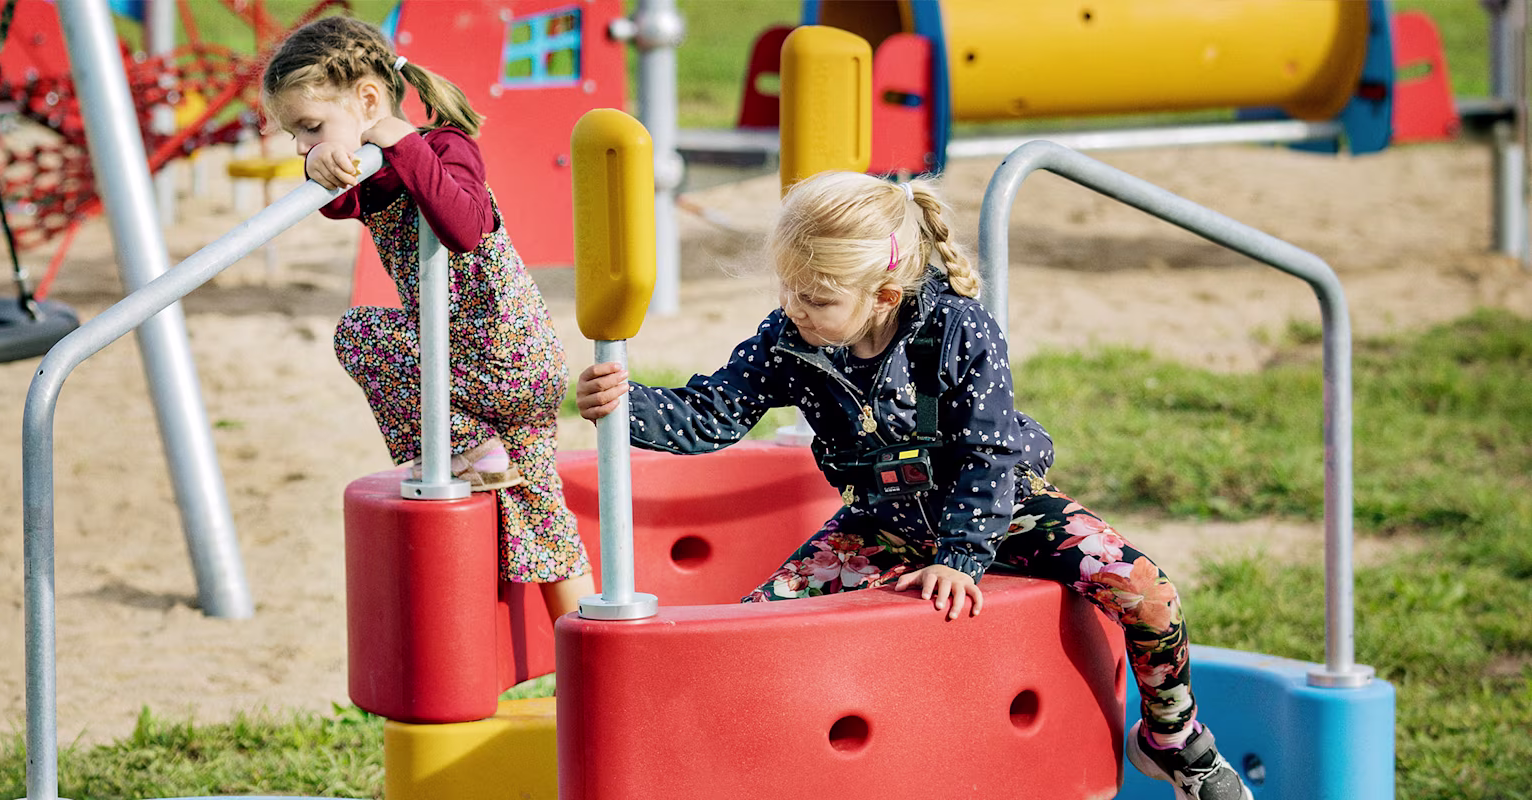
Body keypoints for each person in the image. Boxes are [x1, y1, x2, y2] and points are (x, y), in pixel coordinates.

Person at [575, 170, 1253, 800]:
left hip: (1000, 511)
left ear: (884, 295)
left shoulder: (959, 331)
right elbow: (715, 412)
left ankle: (1174, 741)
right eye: (787, 290)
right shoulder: (791, 340)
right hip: (882, 524)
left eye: (815, 297)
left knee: (1147, 591)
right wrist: (627, 403)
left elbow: (988, 452)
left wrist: (958, 557)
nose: (795, 309)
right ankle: (755, 773)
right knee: (760, 626)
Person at [263, 15, 594, 619]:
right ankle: (592, 647)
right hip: (476, 369)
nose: (305, 143)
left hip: (503, 359)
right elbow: (339, 204)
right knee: (543, 517)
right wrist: (316, 165)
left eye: (311, 127)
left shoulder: (443, 146)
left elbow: (463, 226)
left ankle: (465, 446)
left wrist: (399, 138)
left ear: (367, 99)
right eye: (294, 136)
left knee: (360, 333)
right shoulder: (373, 175)